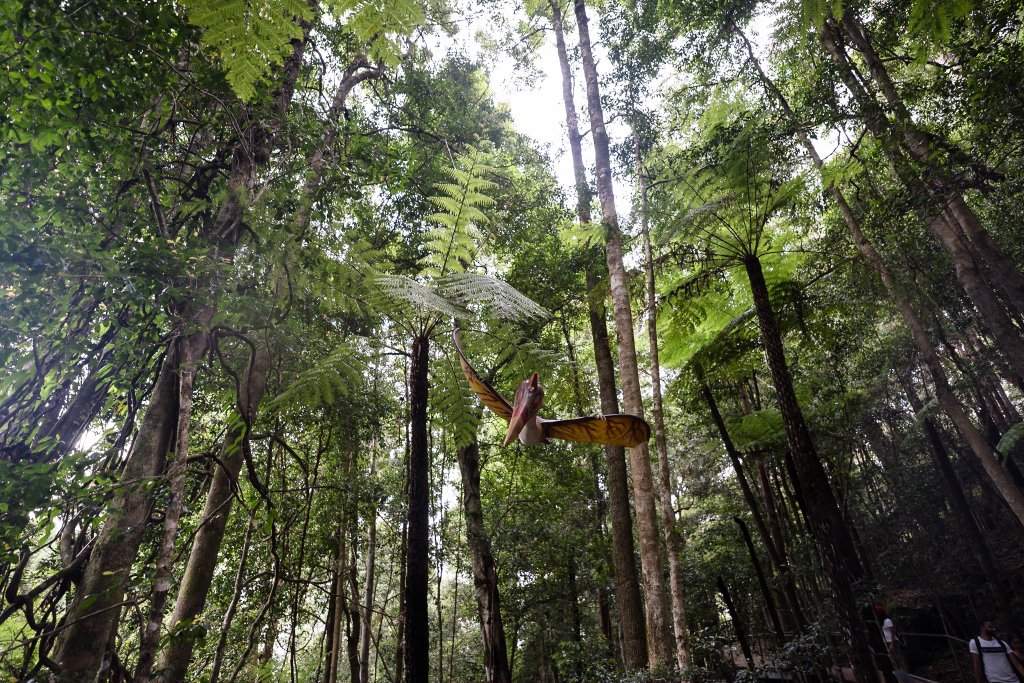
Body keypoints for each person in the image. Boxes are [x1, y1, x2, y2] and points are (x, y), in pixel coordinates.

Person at [970, 618, 1024, 683]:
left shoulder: (1002, 643)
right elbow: (977, 665)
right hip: (995, 680)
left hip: (1014, 680)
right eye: (990, 627)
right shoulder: (975, 642)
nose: (993, 629)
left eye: (993, 627)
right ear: (982, 628)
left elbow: (1016, 663)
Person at [875, 604, 907, 674]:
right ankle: (899, 674)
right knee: (892, 659)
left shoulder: (887, 621)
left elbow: (892, 633)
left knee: (899, 658)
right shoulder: (881, 622)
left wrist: (892, 644)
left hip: (893, 641)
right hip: (886, 642)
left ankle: (905, 674)